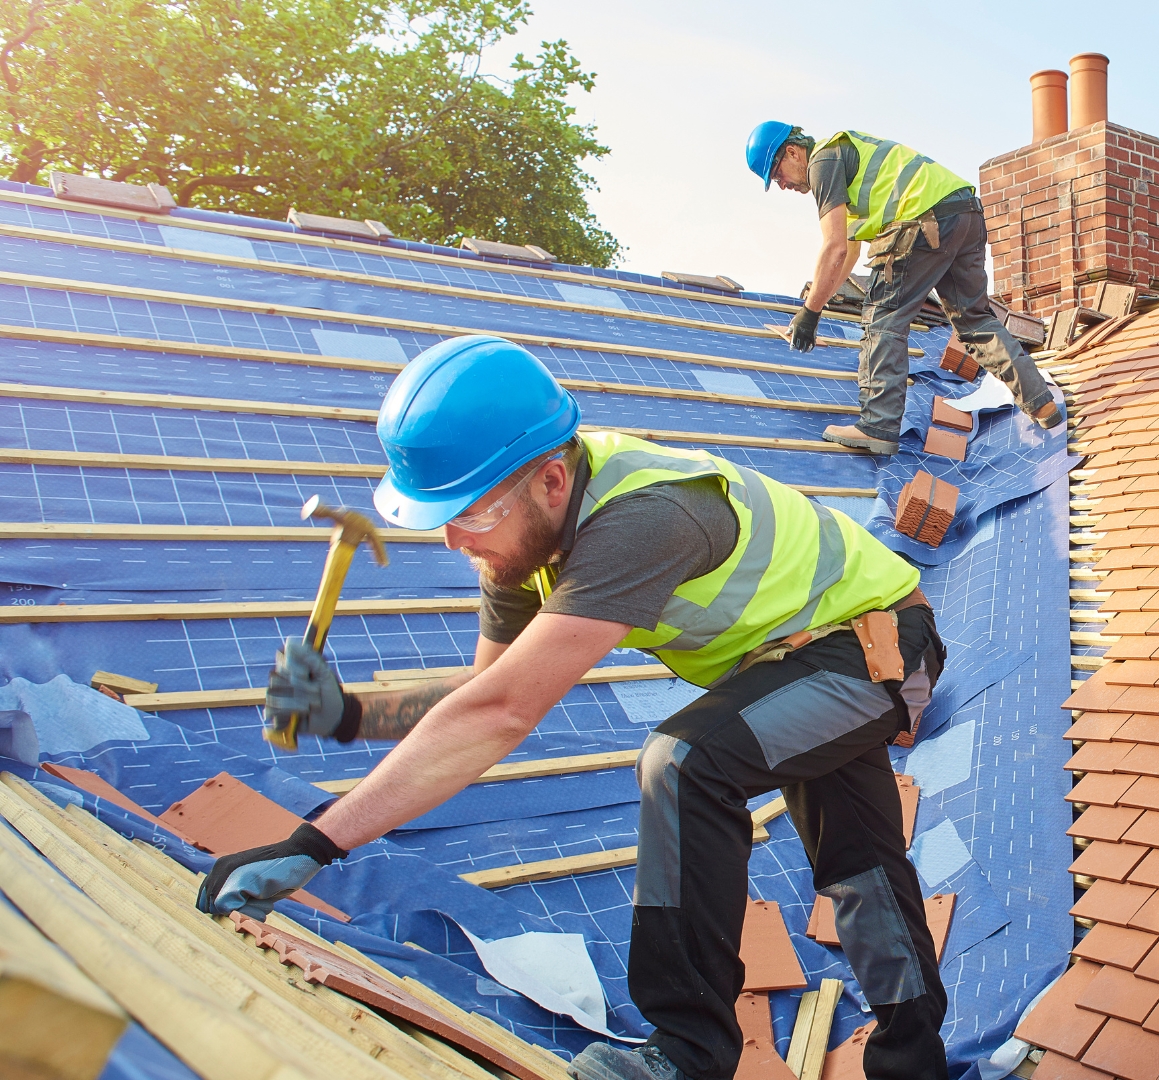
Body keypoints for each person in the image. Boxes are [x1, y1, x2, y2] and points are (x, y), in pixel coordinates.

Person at [196, 336, 951, 1080]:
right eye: (441, 518)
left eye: (473, 512)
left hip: (878, 645)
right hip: (801, 659)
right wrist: (350, 712)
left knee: (685, 763)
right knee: (861, 868)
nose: (459, 539)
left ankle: (689, 1053)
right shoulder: (517, 541)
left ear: (552, 481)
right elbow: (480, 699)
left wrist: (316, 843)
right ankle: (913, 1066)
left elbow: (500, 716)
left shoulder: (644, 520)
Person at [744, 121, 1061, 455]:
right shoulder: (848, 164)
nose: (781, 185)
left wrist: (808, 314)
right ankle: (1042, 403)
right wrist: (814, 308)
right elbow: (847, 252)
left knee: (883, 318)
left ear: (793, 152)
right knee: (974, 321)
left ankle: (877, 426)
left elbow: (833, 246)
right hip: (964, 213)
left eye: (777, 174)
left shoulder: (823, 162)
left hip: (922, 220)